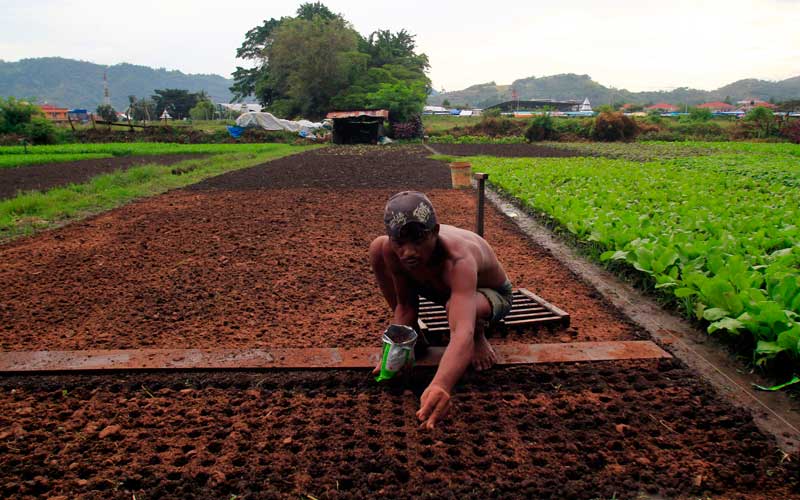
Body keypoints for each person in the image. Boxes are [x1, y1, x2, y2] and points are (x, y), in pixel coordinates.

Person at [369, 191, 513, 429]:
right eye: (400, 243)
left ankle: (481, 335)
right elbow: (405, 305)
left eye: (418, 241)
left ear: (435, 232)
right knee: (376, 248)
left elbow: (461, 332)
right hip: (441, 287)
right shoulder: (390, 249)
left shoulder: (459, 259)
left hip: (489, 294)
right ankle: (416, 338)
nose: (409, 252)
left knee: (459, 310)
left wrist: (441, 384)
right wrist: (397, 346)